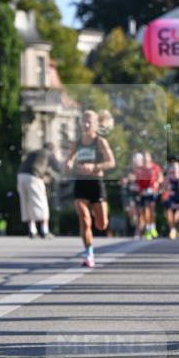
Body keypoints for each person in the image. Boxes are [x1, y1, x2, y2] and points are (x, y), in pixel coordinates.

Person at [65, 109, 116, 268]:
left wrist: (94, 167)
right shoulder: (76, 143)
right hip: (81, 183)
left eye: (89, 122)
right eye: (83, 122)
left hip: (96, 183)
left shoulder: (100, 142)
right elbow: (68, 161)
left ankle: (97, 218)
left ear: (95, 124)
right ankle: (89, 254)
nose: (86, 125)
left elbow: (111, 162)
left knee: (101, 224)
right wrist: (69, 164)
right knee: (85, 219)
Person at [17, 142, 60, 240]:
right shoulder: (48, 153)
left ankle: (32, 230)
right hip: (34, 176)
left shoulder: (34, 152)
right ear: (52, 149)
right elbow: (57, 167)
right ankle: (44, 230)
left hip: (21, 176)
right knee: (41, 203)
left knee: (27, 203)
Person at [135, 150, 163, 240]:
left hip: (152, 191)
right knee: (144, 211)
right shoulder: (139, 169)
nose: (146, 160)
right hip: (143, 192)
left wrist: (157, 182)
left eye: (147, 158)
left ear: (150, 158)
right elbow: (137, 181)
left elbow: (161, 177)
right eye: (144, 159)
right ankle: (148, 228)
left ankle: (152, 228)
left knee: (151, 209)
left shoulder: (155, 167)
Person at [121, 152, 142, 237]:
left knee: (140, 213)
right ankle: (134, 221)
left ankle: (138, 231)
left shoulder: (144, 170)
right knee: (132, 211)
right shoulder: (128, 170)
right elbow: (123, 181)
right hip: (130, 194)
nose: (135, 162)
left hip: (140, 194)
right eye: (134, 160)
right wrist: (126, 180)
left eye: (137, 160)